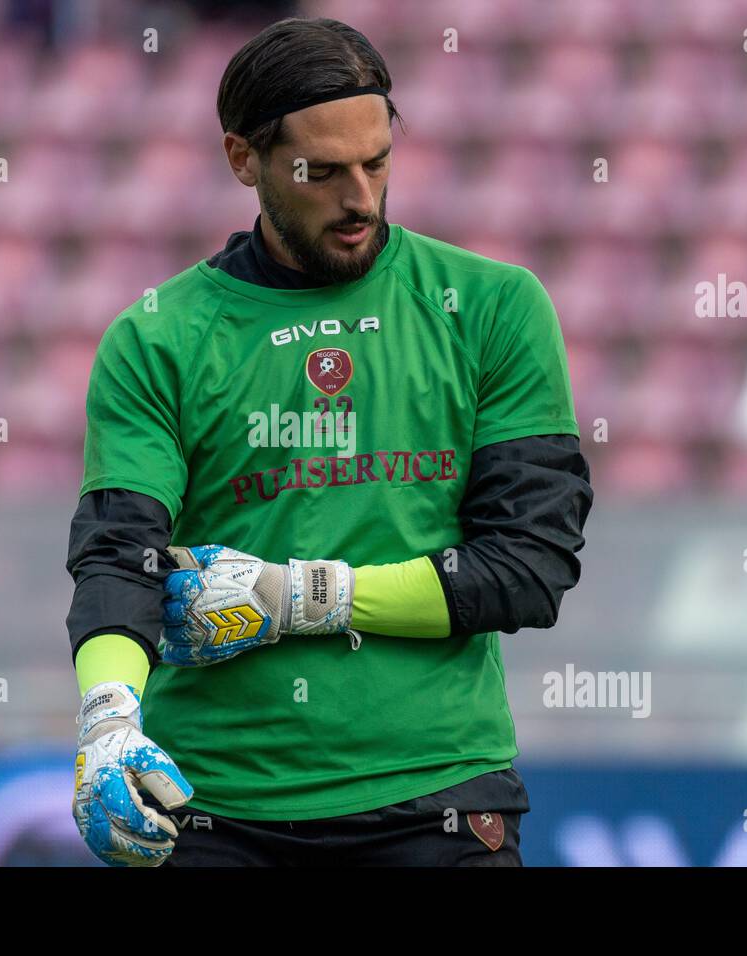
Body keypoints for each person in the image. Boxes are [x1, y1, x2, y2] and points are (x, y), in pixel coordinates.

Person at [66, 16, 592, 867]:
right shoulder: (157, 338)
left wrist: (295, 597)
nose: (360, 200)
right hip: (213, 810)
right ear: (245, 160)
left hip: (436, 799)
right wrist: (109, 720)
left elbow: (529, 570)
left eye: (377, 164)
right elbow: (119, 557)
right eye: (323, 172)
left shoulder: (494, 307)